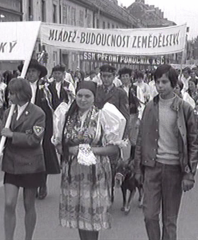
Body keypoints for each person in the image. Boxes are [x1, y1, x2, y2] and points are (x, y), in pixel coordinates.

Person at [52, 81, 126, 240]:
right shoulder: (66, 116)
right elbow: (59, 145)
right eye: (80, 95)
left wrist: (86, 150)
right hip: (73, 172)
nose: (83, 99)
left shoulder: (103, 116)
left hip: (95, 173)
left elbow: (114, 148)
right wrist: (64, 150)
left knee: (92, 217)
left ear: (94, 97)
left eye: (87, 96)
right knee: (80, 216)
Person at [134, 64, 198, 240]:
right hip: (152, 168)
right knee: (149, 216)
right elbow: (141, 139)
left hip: (174, 170)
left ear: (173, 83)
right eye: (157, 82)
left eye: (164, 82)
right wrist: (138, 169)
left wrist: (189, 174)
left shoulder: (185, 108)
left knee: (169, 221)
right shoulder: (149, 107)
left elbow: (193, 142)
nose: (160, 86)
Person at [0, 78, 46, 240]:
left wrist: (13, 135)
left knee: (29, 204)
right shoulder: (8, 113)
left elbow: (34, 139)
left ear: (22, 94)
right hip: (12, 163)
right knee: (9, 204)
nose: (9, 97)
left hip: (31, 165)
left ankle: (28, 237)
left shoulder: (38, 113)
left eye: (12, 93)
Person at [17, 59, 60, 200]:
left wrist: (51, 129)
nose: (30, 74)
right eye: (28, 71)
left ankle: (42, 183)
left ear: (39, 73)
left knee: (42, 155)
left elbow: (52, 108)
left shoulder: (46, 88)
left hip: (43, 126)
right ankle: (31, 184)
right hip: (24, 125)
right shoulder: (20, 89)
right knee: (27, 155)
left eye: (33, 71)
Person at [119, 67, 145, 160]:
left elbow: (141, 105)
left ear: (130, 77)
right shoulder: (118, 90)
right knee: (122, 139)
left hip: (133, 116)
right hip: (121, 118)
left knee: (133, 140)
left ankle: (133, 160)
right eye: (123, 76)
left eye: (126, 76)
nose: (125, 78)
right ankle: (123, 160)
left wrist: (139, 119)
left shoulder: (136, 89)